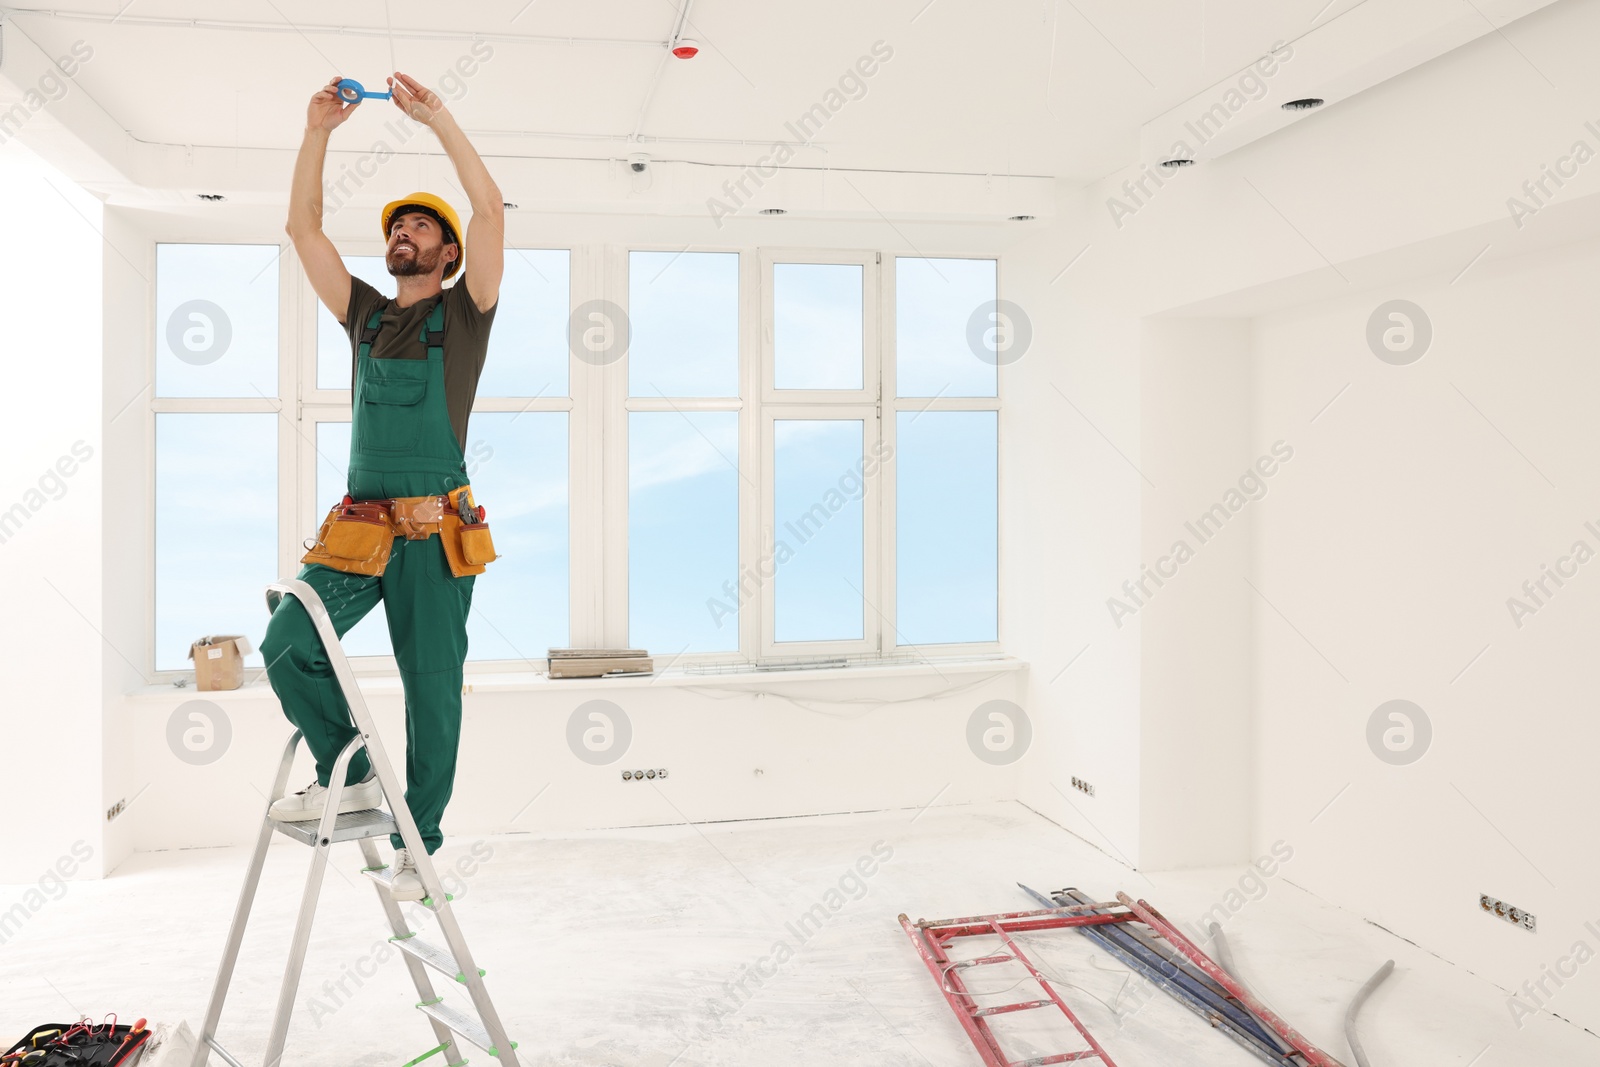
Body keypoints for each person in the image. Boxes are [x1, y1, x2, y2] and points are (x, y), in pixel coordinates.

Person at [259, 72, 504, 901]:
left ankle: (420, 846)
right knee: (287, 641)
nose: (404, 232)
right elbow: (302, 227)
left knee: (432, 691)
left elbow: (494, 210)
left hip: (437, 537)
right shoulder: (365, 315)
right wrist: (317, 130)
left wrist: (439, 117)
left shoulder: (466, 313)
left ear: (448, 252)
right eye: (397, 225)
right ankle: (351, 771)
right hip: (359, 533)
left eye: (422, 226)